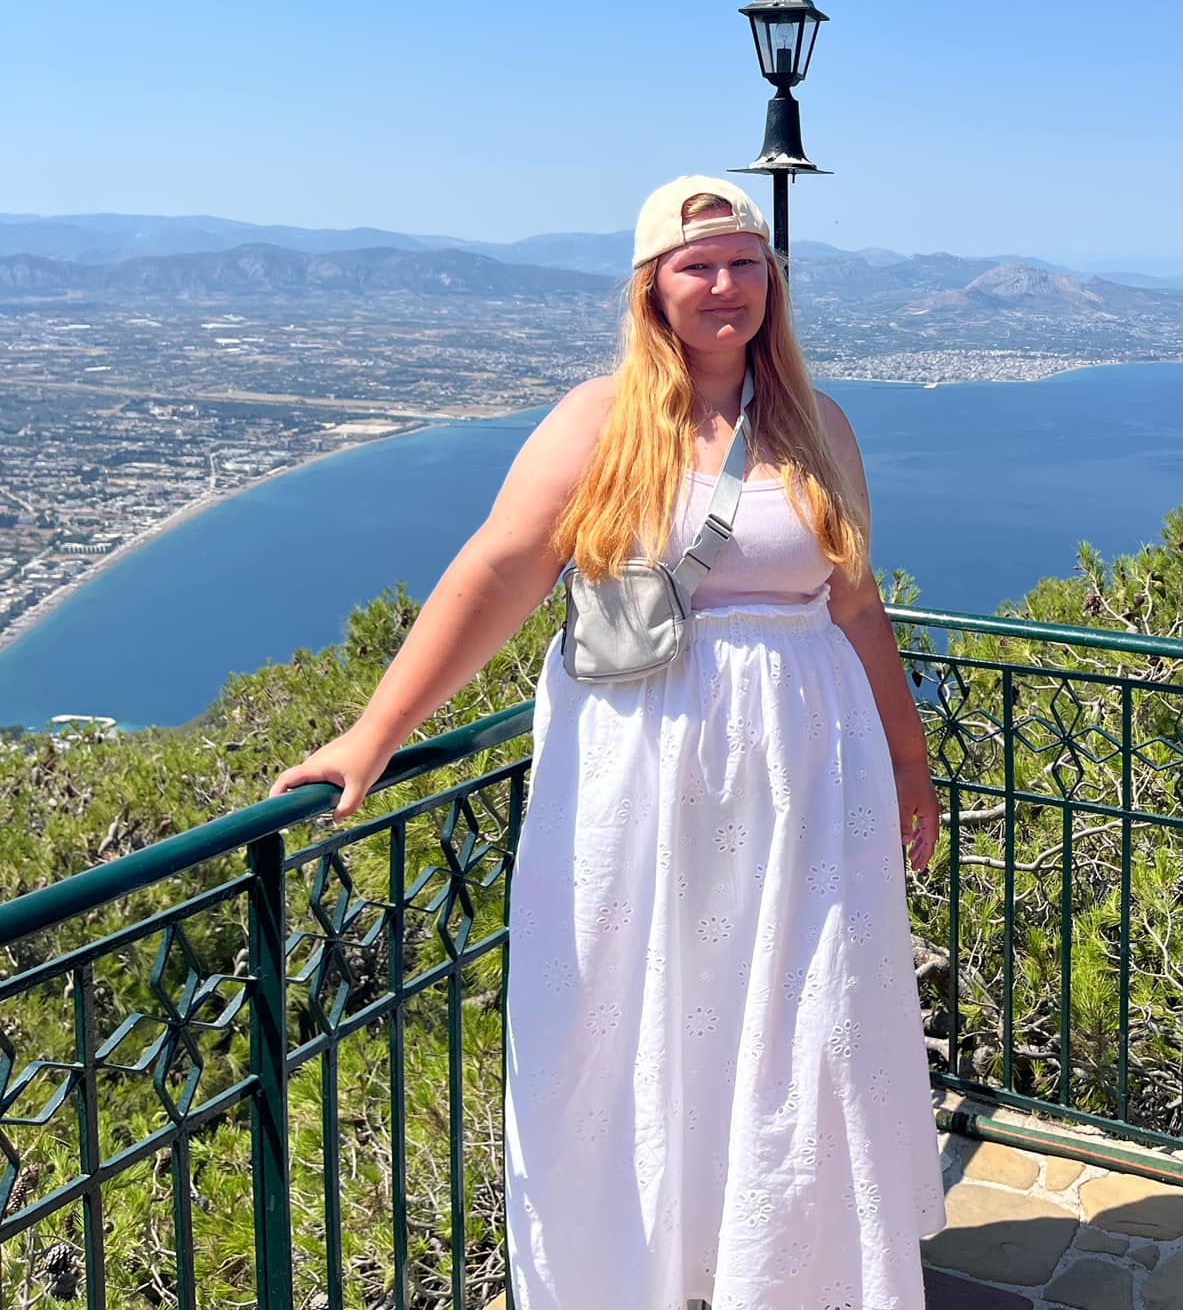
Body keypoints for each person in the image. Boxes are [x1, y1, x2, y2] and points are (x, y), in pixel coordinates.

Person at [270, 174, 948, 1309]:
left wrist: (909, 756)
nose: (723, 284)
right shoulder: (599, 417)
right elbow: (496, 570)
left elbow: (856, 602)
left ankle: (783, 1272)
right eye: (697, 266)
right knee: (629, 1021)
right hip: (642, 784)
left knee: (796, 1023)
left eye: (744, 262)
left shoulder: (821, 425)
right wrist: (374, 731)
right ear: (653, 289)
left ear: (771, 285)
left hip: (805, 786)